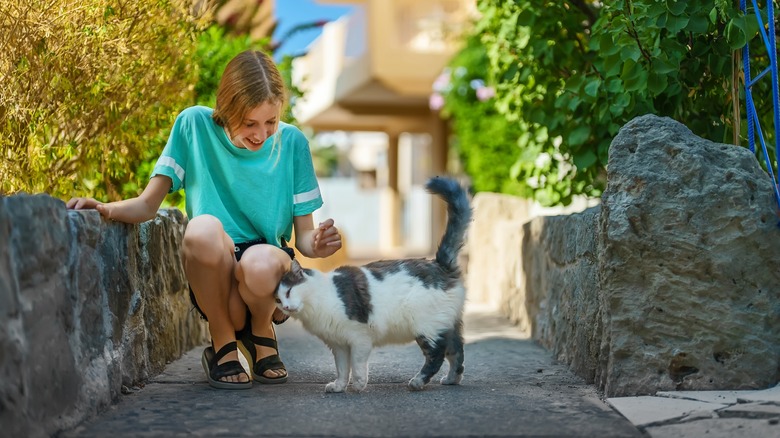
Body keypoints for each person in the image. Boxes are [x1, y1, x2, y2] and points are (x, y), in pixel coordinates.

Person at [67, 50, 342, 389]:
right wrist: (105, 209)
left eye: (270, 122)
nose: (261, 135)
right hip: (217, 275)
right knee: (200, 229)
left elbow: (303, 239)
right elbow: (148, 205)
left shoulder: (293, 143)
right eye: (249, 123)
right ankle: (222, 340)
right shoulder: (193, 125)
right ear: (227, 108)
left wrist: (317, 244)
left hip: (266, 277)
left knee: (257, 263)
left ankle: (261, 332)